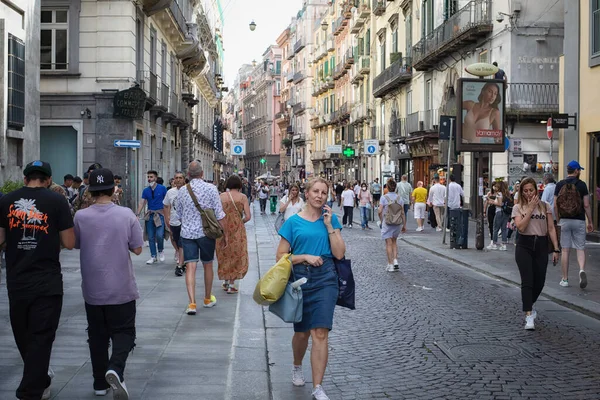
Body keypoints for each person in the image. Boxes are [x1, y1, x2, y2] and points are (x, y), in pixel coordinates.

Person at [0, 160, 75, 400]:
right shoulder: (57, 201)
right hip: (47, 281)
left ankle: (34, 384)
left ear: (25, 179)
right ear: (49, 180)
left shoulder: (6, 201)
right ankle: (32, 388)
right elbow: (69, 242)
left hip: (17, 280)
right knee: (41, 335)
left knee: (23, 334)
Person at [74, 168, 143, 398]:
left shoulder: (80, 217)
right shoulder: (126, 215)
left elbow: (75, 243)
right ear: (114, 189)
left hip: (92, 289)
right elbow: (137, 248)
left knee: (97, 335)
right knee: (124, 332)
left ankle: (98, 384)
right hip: (121, 287)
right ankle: (115, 368)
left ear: (91, 191)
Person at [276, 177, 345, 400]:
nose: (319, 196)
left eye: (324, 193)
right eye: (315, 191)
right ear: (307, 193)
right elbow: (280, 256)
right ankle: (297, 365)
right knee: (302, 333)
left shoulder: (331, 219)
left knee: (320, 332)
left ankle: (317, 386)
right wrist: (304, 256)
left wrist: (329, 227)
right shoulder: (293, 222)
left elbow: (340, 254)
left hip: (326, 278)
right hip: (301, 279)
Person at [177, 161, 227, 314]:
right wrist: (225, 234)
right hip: (206, 233)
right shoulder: (211, 189)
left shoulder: (183, 190)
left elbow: (178, 214)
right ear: (202, 174)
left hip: (187, 233)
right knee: (208, 265)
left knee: (190, 267)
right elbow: (219, 214)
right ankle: (207, 298)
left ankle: (192, 303)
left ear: (188, 175)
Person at [512, 178, 560, 330]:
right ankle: (529, 315)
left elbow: (551, 228)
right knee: (527, 281)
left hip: (541, 244)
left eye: (530, 190)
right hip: (524, 245)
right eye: (525, 191)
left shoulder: (545, 206)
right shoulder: (518, 207)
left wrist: (556, 249)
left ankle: (528, 305)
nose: (528, 193)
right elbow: (520, 227)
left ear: (536, 190)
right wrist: (530, 208)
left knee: (539, 281)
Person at [554, 160, 593, 288]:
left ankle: (565, 279)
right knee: (580, 248)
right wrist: (590, 221)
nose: (580, 172)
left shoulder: (559, 184)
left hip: (564, 220)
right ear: (576, 171)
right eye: (579, 170)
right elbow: (586, 205)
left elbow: (555, 204)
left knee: (565, 250)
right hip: (579, 220)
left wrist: (558, 219)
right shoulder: (582, 185)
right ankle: (581, 270)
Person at [216, 175, 251, 294]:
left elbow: (217, 213)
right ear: (239, 185)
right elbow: (248, 216)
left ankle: (225, 280)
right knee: (236, 254)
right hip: (237, 230)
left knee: (224, 254)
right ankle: (231, 284)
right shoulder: (243, 197)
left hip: (223, 229)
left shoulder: (221, 196)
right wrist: (240, 222)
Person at [136, 170, 168, 265]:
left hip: (160, 215)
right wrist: (137, 214)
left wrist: (167, 215)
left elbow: (167, 202)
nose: (149, 179)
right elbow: (142, 202)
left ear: (156, 178)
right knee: (150, 237)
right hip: (150, 215)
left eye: (151, 177)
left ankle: (161, 251)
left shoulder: (162, 188)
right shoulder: (146, 190)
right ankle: (153, 256)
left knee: (159, 235)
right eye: (148, 177)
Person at [378, 179, 406, 272]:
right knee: (394, 242)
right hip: (397, 223)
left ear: (387, 187)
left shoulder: (384, 198)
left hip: (387, 222)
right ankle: (395, 261)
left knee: (388, 243)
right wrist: (404, 224)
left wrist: (381, 220)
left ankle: (390, 264)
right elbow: (402, 213)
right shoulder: (399, 198)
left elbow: (379, 211)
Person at [164, 171, 186, 276]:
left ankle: (180, 266)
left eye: (180, 178)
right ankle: (182, 258)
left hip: (185, 222)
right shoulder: (170, 192)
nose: (178, 180)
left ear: (184, 179)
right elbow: (166, 205)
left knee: (182, 242)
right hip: (173, 221)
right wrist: (166, 218)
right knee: (175, 240)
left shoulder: (188, 191)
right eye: (176, 178)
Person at [487, 181, 511, 251]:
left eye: (497, 186)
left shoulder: (499, 194)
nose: (495, 188)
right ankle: (504, 244)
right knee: (504, 229)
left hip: (499, 212)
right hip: (506, 213)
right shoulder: (507, 194)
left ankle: (494, 244)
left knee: (495, 228)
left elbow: (500, 204)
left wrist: (492, 202)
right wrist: (491, 200)